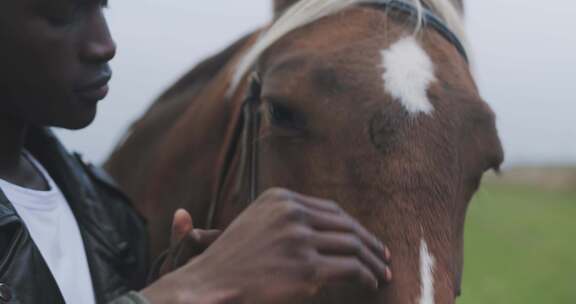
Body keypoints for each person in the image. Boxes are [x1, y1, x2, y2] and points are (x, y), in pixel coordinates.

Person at [0, 1, 392, 303]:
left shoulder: (105, 212)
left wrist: (170, 278)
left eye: (102, 5)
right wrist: (196, 286)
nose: (103, 44)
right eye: (62, 14)